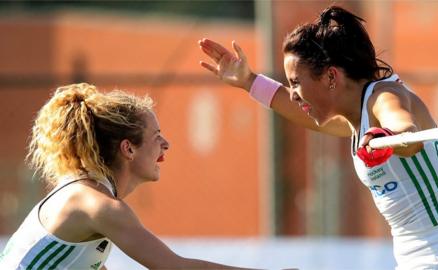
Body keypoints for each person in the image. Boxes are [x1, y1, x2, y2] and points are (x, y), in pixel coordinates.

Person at [198, 5, 438, 270]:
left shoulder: (384, 98)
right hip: (418, 259)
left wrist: (387, 137)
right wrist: (249, 81)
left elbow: (408, 134)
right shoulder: (355, 119)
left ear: (330, 77)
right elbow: (301, 112)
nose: (293, 93)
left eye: (296, 82)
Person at [0, 83, 261, 269]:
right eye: (157, 136)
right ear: (128, 148)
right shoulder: (100, 206)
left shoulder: (84, 194)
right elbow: (175, 268)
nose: (166, 143)